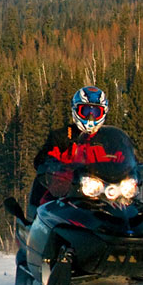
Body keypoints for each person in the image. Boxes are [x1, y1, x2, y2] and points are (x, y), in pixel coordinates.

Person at [27, 86, 109, 218]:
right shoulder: (63, 136)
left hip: (103, 193)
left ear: (103, 113)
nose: (91, 117)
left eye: (96, 112)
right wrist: (54, 165)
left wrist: (132, 170)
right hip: (67, 191)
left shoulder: (107, 139)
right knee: (46, 204)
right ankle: (37, 223)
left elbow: (122, 159)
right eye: (86, 111)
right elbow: (43, 159)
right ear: (76, 111)